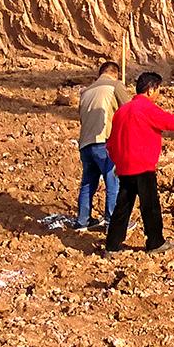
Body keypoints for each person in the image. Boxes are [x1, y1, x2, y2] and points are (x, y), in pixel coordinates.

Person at [104, 71, 174, 253]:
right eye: (158, 89)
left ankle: (112, 245)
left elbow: (111, 142)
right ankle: (155, 242)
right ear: (151, 89)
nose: (159, 93)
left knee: (123, 207)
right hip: (143, 166)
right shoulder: (146, 108)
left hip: (125, 167)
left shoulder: (121, 111)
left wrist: (117, 162)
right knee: (150, 206)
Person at [75, 61, 129, 231]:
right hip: (104, 141)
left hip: (85, 143)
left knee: (88, 182)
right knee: (112, 180)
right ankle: (112, 221)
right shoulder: (115, 85)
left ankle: (82, 221)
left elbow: (82, 119)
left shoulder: (86, 92)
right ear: (116, 73)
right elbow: (130, 111)